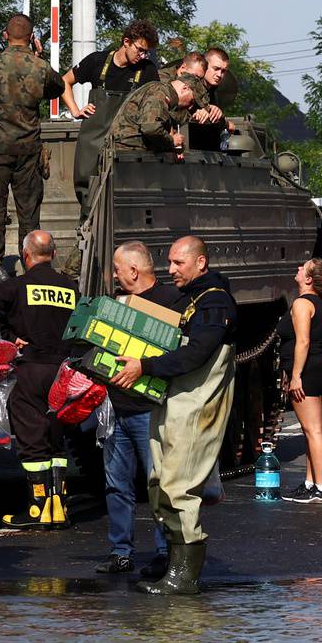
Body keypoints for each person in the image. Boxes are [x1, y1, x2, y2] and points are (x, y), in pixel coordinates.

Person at [107, 236, 238, 596]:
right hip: (175, 403)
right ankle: (173, 567)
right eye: (170, 262)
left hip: (193, 407)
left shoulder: (213, 302)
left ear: (201, 263)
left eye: (179, 263)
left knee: (178, 486)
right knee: (160, 481)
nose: (171, 269)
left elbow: (196, 354)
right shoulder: (196, 301)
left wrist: (144, 366)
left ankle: (183, 576)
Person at [0, 229, 80, 529]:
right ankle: (59, 506)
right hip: (63, 372)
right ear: (54, 255)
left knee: (31, 439)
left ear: (26, 255)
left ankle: (37, 508)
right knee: (56, 439)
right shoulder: (71, 288)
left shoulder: (15, 287)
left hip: (30, 370)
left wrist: (9, 338)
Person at [97, 242, 161, 574]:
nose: (114, 274)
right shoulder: (116, 304)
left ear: (134, 271)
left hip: (149, 410)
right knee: (116, 483)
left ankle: (166, 551)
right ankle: (120, 550)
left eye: (117, 268)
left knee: (158, 483)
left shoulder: (167, 305)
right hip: (117, 409)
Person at [0, 13, 65, 256]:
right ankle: (32, 265)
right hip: (28, 151)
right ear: (32, 38)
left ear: (6, 36)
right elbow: (57, 88)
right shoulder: (40, 67)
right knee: (29, 213)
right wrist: (40, 57)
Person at [65, 19, 161, 188]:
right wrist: (75, 111)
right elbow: (64, 82)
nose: (143, 56)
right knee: (87, 192)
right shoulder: (96, 61)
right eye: (140, 50)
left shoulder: (148, 70)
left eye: (146, 52)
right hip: (92, 144)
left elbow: (159, 104)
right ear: (126, 42)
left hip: (127, 146)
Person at [281, 258, 322, 504]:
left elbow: (303, 341)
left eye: (301, 267)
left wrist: (296, 376)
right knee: (310, 430)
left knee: (314, 430)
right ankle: (310, 482)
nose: (296, 268)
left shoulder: (303, 303)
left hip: (309, 371)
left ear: (308, 278)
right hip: (319, 367)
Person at [186, 46, 231, 151]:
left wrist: (221, 116)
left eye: (223, 71)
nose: (219, 75)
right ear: (205, 66)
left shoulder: (215, 92)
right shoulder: (188, 86)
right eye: (216, 69)